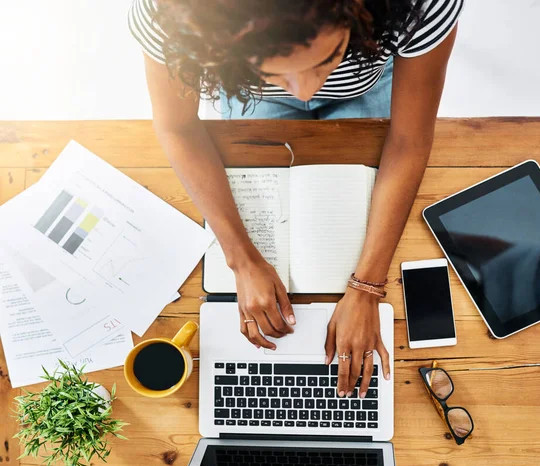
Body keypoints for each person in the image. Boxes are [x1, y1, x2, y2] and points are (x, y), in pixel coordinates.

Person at [129, 0, 463, 398]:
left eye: (326, 58)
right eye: (273, 69)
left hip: (368, 77)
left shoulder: (421, 4)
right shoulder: (169, 11)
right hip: (249, 93)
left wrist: (368, 287)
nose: (306, 90)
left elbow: (409, 140)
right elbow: (177, 128)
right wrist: (240, 258)